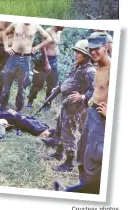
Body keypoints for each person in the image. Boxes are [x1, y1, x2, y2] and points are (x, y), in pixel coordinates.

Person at [41, 40, 96, 172]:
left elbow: (95, 90)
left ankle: (69, 163)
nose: (75, 54)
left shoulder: (90, 71)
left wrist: (82, 97)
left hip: (75, 108)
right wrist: (59, 87)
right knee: (60, 129)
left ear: (87, 55)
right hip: (67, 104)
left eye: (79, 52)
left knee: (69, 134)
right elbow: (69, 80)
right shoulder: (77, 66)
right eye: (76, 51)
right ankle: (58, 153)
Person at [76, 33, 111, 194]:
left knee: (94, 156)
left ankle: (91, 193)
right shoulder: (98, 67)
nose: (93, 52)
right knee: (82, 150)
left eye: (97, 48)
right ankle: (83, 186)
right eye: (91, 49)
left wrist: (110, 112)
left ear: (106, 47)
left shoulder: (114, 69)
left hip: (101, 117)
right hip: (92, 113)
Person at [0, 23, 52, 113]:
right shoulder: (16, 23)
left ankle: (18, 109)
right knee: (7, 82)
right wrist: (6, 47)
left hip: (26, 58)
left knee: (22, 85)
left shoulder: (36, 26)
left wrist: (36, 47)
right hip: (13, 56)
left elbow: (48, 38)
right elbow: (5, 33)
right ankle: (2, 106)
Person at [27, 26, 65, 110]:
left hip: (54, 60)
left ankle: (47, 105)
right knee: (38, 83)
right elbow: (43, 48)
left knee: (52, 84)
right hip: (45, 60)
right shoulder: (48, 31)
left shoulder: (59, 31)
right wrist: (46, 63)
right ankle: (30, 102)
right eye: (64, 25)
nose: (65, 27)